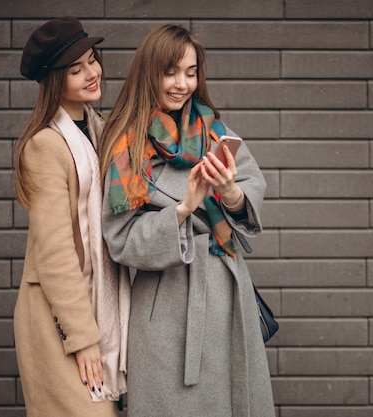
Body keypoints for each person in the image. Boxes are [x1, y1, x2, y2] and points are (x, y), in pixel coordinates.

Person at [98, 24, 275, 417]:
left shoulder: (214, 131)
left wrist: (230, 192)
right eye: (171, 72)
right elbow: (120, 239)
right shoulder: (127, 147)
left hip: (227, 293)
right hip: (167, 309)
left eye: (191, 72)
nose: (182, 84)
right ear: (150, 73)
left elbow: (250, 189)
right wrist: (181, 210)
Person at [12, 16, 130, 417]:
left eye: (92, 60)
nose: (91, 73)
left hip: (95, 306)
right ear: (54, 80)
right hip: (58, 317)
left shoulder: (100, 131)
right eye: (75, 69)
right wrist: (82, 338)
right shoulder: (45, 145)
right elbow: (55, 252)